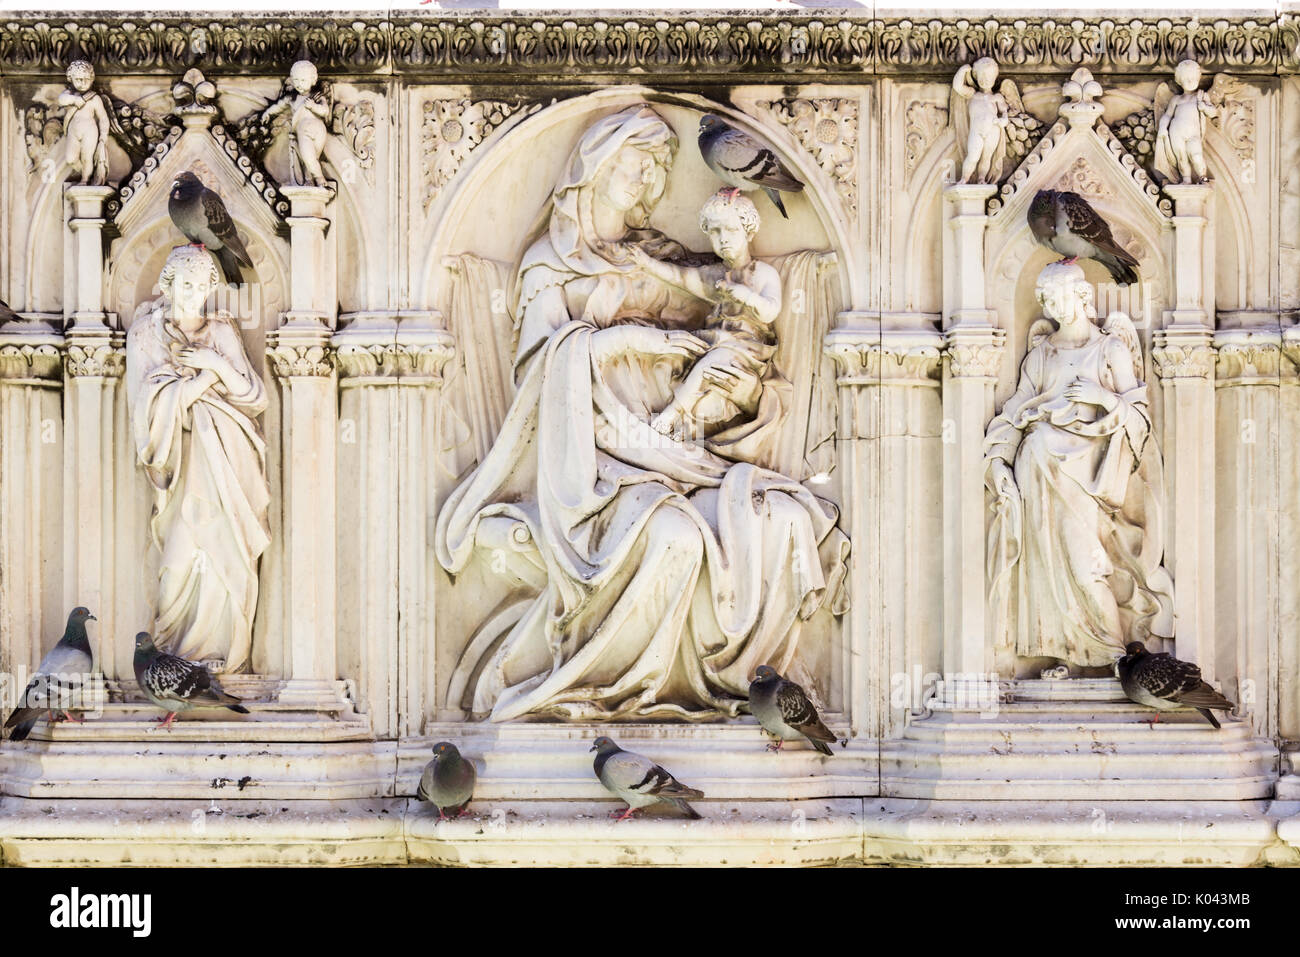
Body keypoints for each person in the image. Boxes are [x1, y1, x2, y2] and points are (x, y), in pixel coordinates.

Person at [435, 105, 848, 722]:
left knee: (783, 518)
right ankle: (608, 689)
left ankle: (739, 689)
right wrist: (627, 342)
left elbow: (725, 310)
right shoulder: (548, 265)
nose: (650, 180)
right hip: (594, 462)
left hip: (680, 446)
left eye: (658, 168)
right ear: (593, 166)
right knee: (674, 536)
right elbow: (542, 384)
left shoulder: (654, 254)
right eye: (637, 162)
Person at [985, 261, 1174, 670]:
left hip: (1086, 478)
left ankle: (1114, 660)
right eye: (1046, 299)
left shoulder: (1111, 349)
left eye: (1059, 296)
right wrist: (998, 459)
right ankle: (1068, 661)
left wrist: (1105, 399)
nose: (1053, 306)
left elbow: (1140, 418)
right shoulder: (1041, 355)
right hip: (1037, 472)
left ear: (1083, 296)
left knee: (1087, 566)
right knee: (1045, 569)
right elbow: (1016, 409)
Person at [125, 246, 271, 673]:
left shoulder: (222, 333)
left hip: (229, 468)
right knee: (176, 565)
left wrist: (213, 365)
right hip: (181, 469)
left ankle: (216, 659)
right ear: (168, 286)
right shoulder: (146, 336)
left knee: (226, 556)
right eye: (184, 285)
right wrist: (207, 380)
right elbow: (146, 412)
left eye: (201, 286)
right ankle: (171, 661)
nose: (193, 295)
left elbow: (255, 396)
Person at [630, 190, 782, 439]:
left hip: (743, 348)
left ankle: (672, 412)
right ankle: (684, 426)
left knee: (714, 363)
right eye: (715, 231)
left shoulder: (762, 274)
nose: (723, 239)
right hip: (712, 340)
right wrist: (647, 264)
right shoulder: (717, 275)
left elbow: (770, 311)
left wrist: (746, 296)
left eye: (731, 230)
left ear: (749, 232)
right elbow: (680, 277)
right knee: (673, 356)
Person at [59, 60, 111, 186]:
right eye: (78, 79)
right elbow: (62, 100)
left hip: (89, 130)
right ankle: (88, 172)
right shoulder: (69, 94)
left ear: (92, 79)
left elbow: (103, 119)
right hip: (73, 130)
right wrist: (75, 99)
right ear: (71, 79)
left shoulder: (94, 98)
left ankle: (85, 179)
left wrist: (103, 138)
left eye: (86, 79)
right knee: (70, 159)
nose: (83, 83)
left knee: (87, 157)